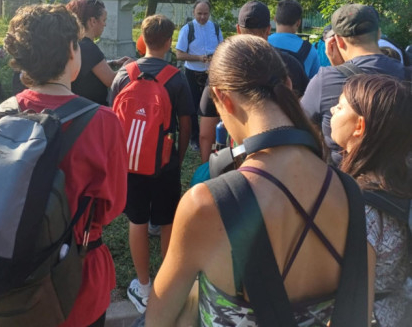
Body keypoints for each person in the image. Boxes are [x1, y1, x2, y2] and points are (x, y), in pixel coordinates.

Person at [146, 35, 370, 327]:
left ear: (223, 98)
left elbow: (158, 319)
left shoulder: (206, 203)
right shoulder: (350, 193)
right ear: (287, 84)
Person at [0, 3, 128, 327]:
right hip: (75, 281)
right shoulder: (104, 123)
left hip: (5, 285)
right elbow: (112, 208)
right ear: (71, 51)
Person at [111, 15, 194, 315]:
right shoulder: (176, 78)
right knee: (167, 221)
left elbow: (113, 118)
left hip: (130, 163)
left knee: (137, 222)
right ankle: (166, 284)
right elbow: (186, 123)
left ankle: (144, 285)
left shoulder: (124, 74)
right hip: (164, 163)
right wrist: (178, 158)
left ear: (142, 39)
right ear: (169, 41)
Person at [330, 73, 412, 327]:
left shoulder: (363, 208)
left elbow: (355, 299)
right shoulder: (401, 178)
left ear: (359, 126)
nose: (332, 110)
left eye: (340, 106)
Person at [198, 0, 309, 163]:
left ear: (238, 29)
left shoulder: (223, 68)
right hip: (286, 160)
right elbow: (306, 116)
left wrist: (208, 168)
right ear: (268, 30)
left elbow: (205, 134)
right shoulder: (291, 65)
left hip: (237, 162)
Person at [301, 3, 406, 166]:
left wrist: (337, 70)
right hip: (399, 177)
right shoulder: (406, 74)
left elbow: (300, 122)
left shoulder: (325, 80)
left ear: (338, 41)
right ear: (378, 34)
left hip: (343, 177)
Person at [175, 0, 223, 150]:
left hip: (212, 72)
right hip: (193, 72)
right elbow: (179, 54)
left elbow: (222, 49)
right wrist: (198, 58)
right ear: (193, 12)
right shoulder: (187, 29)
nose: (202, 17)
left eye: (205, 14)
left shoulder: (215, 28)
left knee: (213, 106)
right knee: (193, 107)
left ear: (210, 13)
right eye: (199, 13)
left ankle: (213, 136)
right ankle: (195, 138)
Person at [66, 0, 129, 105]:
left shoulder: (75, 43)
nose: (105, 24)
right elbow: (111, 81)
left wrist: (112, 63)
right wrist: (128, 67)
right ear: (93, 21)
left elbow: (87, 67)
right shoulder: (89, 48)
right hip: (93, 108)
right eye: (103, 20)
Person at [268, 0, 320, 78]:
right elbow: (315, 81)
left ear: (275, 19)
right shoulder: (310, 50)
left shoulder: (262, 43)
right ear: (298, 23)